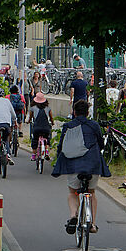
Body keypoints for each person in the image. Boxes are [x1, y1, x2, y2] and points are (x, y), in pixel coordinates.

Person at [51, 98, 111, 234]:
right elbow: (101, 144)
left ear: (74, 112)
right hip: (93, 164)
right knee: (92, 192)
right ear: (88, 112)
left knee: (73, 192)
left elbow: (61, 146)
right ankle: (93, 224)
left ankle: (73, 216)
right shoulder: (94, 125)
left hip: (73, 165)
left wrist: (58, 159)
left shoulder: (68, 126)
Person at [27, 91, 54, 160]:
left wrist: (28, 121)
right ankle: (47, 152)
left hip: (37, 128)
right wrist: (52, 123)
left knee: (35, 140)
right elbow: (51, 118)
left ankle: (33, 155)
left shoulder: (33, 108)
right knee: (47, 138)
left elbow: (30, 117)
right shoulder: (48, 108)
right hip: (46, 127)